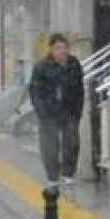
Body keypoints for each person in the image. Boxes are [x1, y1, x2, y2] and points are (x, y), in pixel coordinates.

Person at [29, 33, 84, 189]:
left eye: (65, 48)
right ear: (51, 49)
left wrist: (77, 111)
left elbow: (79, 90)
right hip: (49, 112)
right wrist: (42, 111)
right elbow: (35, 91)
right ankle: (52, 177)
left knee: (72, 143)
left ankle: (68, 174)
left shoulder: (74, 65)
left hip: (69, 110)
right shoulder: (41, 67)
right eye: (58, 48)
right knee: (50, 147)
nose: (62, 51)